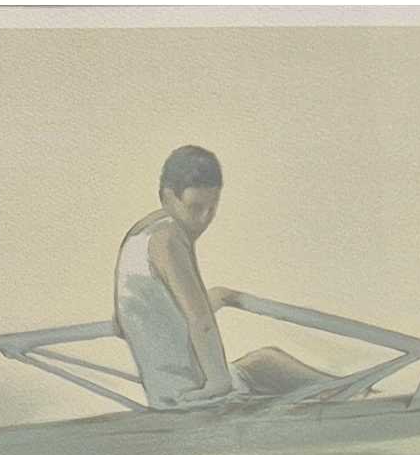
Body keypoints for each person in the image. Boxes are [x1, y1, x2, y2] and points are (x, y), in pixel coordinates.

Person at [114, 145, 334, 408]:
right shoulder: (169, 239)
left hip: (166, 392)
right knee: (271, 365)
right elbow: (200, 320)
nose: (203, 219)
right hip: (194, 394)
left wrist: (217, 297)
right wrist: (218, 381)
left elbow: (127, 321)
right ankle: (363, 397)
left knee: (266, 361)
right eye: (195, 207)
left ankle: (357, 393)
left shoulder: (140, 235)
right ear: (168, 197)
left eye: (212, 207)